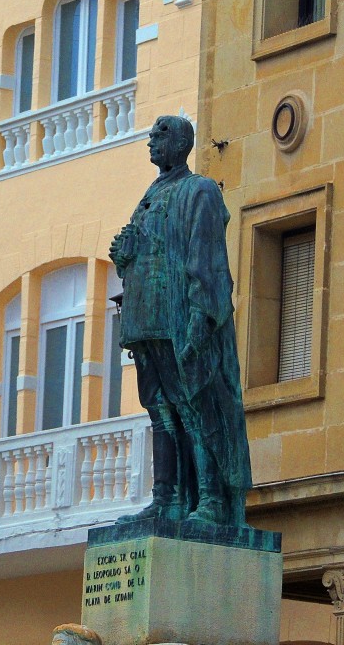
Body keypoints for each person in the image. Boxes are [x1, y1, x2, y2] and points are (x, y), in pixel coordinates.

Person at [109, 115, 251, 525]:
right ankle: (166, 498)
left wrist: (200, 319)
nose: (151, 143)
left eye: (159, 136)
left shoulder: (199, 190)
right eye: (151, 136)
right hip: (145, 319)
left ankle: (210, 498)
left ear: (181, 143)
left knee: (193, 405)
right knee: (160, 410)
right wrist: (125, 255)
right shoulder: (150, 194)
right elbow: (143, 254)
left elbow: (205, 260)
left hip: (178, 319)